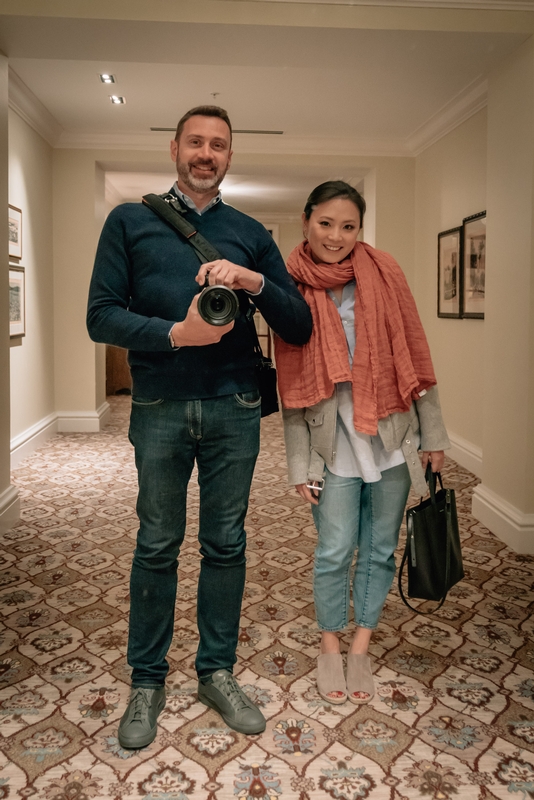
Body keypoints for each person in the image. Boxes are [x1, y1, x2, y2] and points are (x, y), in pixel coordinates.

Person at [87, 106, 312, 747]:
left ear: (230, 156)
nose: (206, 153)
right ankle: (147, 681)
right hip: (158, 403)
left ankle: (216, 672)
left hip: (234, 406)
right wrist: (174, 335)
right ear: (174, 149)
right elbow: (100, 316)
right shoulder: (129, 220)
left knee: (226, 543)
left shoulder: (246, 233)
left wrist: (254, 280)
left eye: (218, 144)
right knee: (156, 543)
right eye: (196, 142)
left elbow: (298, 323)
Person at [274, 181, 449, 706]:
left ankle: (361, 645)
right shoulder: (291, 286)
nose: (336, 236)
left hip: (392, 434)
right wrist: (299, 464)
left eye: (348, 226)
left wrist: (433, 435)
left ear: (360, 229)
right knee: (333, 549)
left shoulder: (385, 272)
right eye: (326, 223)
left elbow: (415, 355)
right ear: (306, 221)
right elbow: (292, 386)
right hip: (333, 440)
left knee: (379, 548)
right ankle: (330, 642)